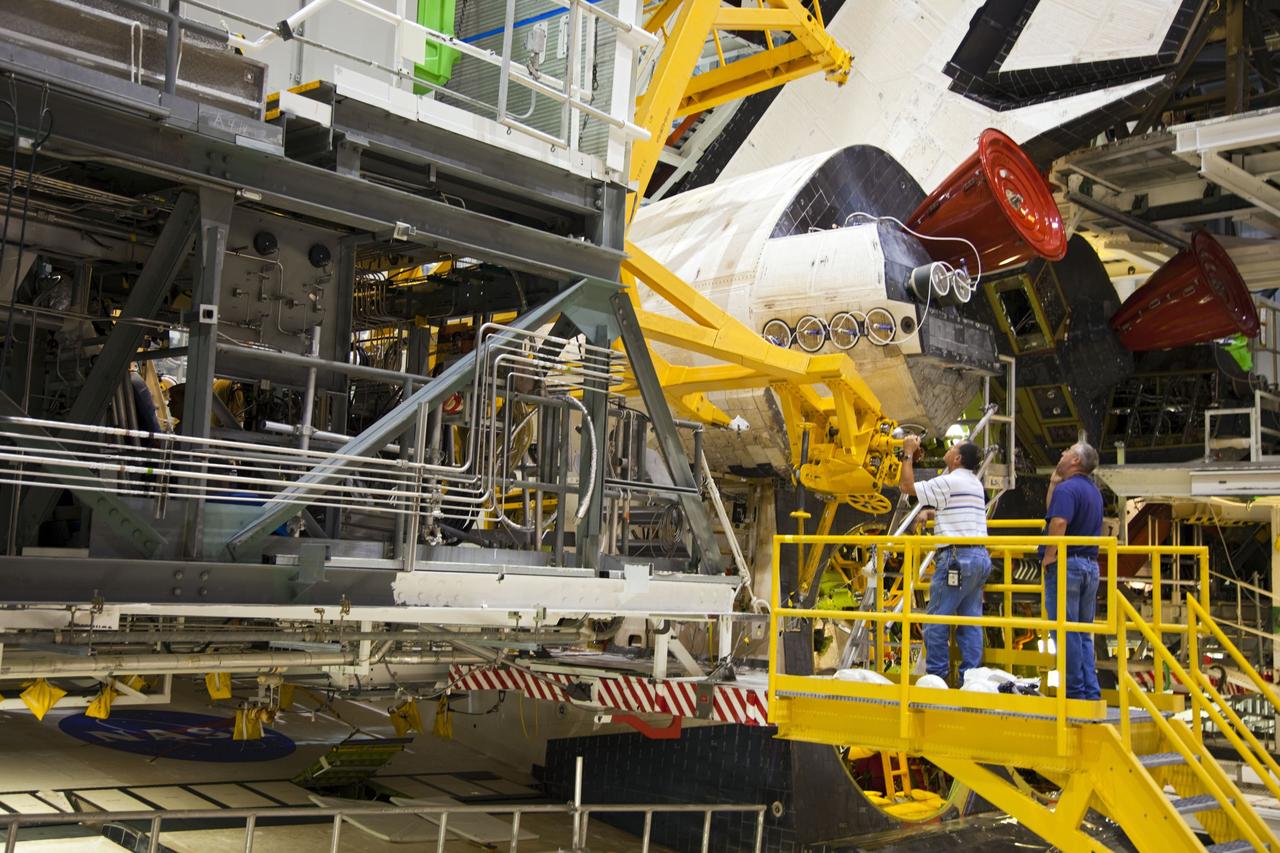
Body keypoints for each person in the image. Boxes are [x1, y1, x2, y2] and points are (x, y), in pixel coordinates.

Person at [900, 436, 992, 685]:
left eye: (953, 447)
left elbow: (906, 486)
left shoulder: (949, 482)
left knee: (935, 622)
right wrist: (931, 512)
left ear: (957, 458)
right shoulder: (974, 484)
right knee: (970, 622)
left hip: (956, 560)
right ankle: (971, 680)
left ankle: (937, 679)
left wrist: (907, 452)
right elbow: (958, 507)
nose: (949, 448)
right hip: (979, 558)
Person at [1041, 442, 1104, 700]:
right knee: (1081, 633)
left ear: (1076, 460)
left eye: (1066, 451)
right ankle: (1090, 692)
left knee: (1064, 632)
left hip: (1068, 566)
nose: (1061, 454)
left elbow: (1058, 521)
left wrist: (1049, 555)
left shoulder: (1068, 490)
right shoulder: (1092, 491)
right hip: (1090, 566)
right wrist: (1054, 482)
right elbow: (1052, 511)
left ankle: (1074, 693)